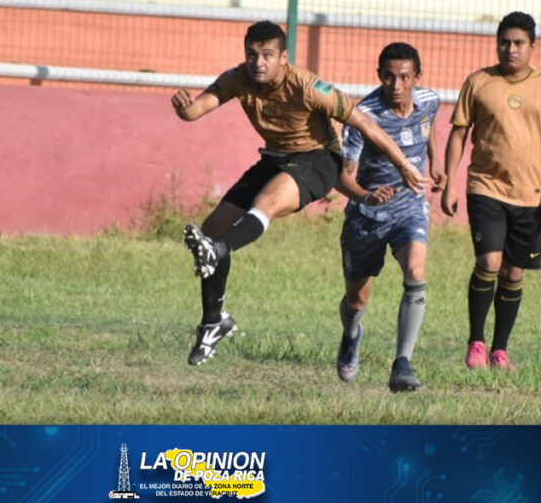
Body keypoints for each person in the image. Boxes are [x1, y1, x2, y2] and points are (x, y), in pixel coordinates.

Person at [171, 20, 430, 366]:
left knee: (265, 204)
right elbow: (196, 109)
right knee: (211, 229)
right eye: (252, 54)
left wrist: (403, 166)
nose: (258, 63)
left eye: (267, 55)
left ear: (283, 57)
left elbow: (367, 124)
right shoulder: (238, 78)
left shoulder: (309, 86)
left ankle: (218, 252)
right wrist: (185, 109)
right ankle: (214, 320)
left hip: (318, 160)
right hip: (276, 158)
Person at [441, 11, 541, 371]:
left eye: (519, 43)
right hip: (485, 186)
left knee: (514, 273)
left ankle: (500, 350)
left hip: (528, 195)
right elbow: (458, 133)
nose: (511, 49)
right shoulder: (479, 82)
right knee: (489, 262)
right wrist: (450, 184)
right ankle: (475, 343)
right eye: (505, 42)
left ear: (533, 47)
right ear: (497, 44)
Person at [335, 42, 444, 392]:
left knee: (416, 270)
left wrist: (436, 161)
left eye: (404, 78)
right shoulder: (362, 115)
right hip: (366, 215)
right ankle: (351, 334)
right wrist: (366, 195)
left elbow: (428, 127)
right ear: (378, 75)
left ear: (417, 77)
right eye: (388, 77)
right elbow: (343, 174)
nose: (396, 86)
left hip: (410, 207)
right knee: (357, 300)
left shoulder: (429, 100)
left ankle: (402, 364)